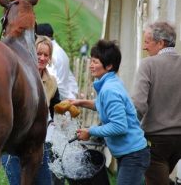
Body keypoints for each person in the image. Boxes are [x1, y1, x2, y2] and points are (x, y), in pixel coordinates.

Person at [69, 39, 150, 185]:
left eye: (95, 61)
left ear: (109, 66)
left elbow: (119, 126)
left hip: (133, 154)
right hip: (129, 153)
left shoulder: (109, 90)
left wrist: (90, 131)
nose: (91, 65)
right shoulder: (110, 83)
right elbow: (103, 105)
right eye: (91, 61)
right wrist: (81, 103)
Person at [1, 35, 60, 185]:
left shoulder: (52, 83)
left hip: (38, 144)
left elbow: (54, 109)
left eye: (46, 55)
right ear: (32, 54)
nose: (42, 58)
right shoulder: (18, 77)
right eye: (38, 53)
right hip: (14, 144)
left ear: (50, 58)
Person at [131, 21, 181, 185]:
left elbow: (138, 105)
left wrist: (126, 128)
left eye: (147, 42)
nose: (145, 47)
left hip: (155, 141)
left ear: (160, 43)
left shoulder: (148, 64)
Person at [36, 23, 78, 100]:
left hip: (56, 103)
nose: (42, 57)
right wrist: (73, 94)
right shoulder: (61, 52)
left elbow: (54, 82)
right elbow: (70, 77)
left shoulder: (53, 54)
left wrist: (70, 99)